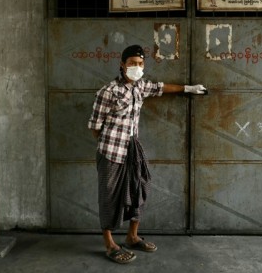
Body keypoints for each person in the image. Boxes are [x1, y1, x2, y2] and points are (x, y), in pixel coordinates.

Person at [88, 45, 206, 264]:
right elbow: (94, 126)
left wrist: (188, 89)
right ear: (122, 64)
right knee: (109, 196)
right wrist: (109, 144)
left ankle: (132, 237)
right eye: (132, 63)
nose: (137, 67)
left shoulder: (140, 87)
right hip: (111, 152)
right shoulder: (108, 91)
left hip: (133, 149)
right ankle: (109, 243)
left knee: (140, 188)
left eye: (140, 64)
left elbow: (161, 87)